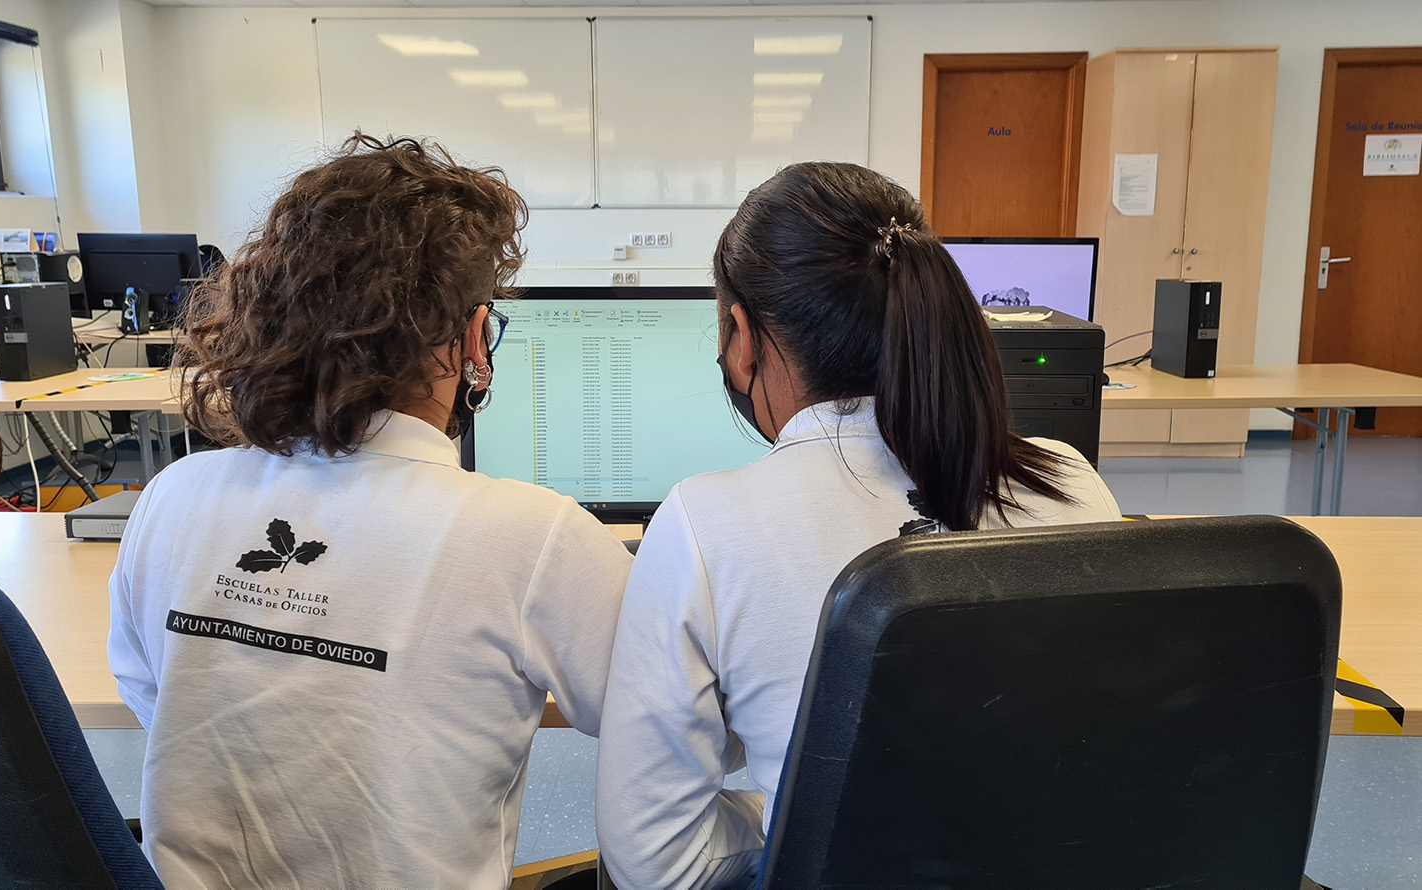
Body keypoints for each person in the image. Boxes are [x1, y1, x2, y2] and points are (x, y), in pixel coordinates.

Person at [108, 134, 633, 889]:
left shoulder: (173, 496)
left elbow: (153, 699)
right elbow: (666, 728)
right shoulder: (535, 535)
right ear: (473, 335)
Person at [595, 162, 1123, 889]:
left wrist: (785, 811)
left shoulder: (703, 525)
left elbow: (655, 863)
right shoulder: (1073, 483)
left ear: (742, 337)